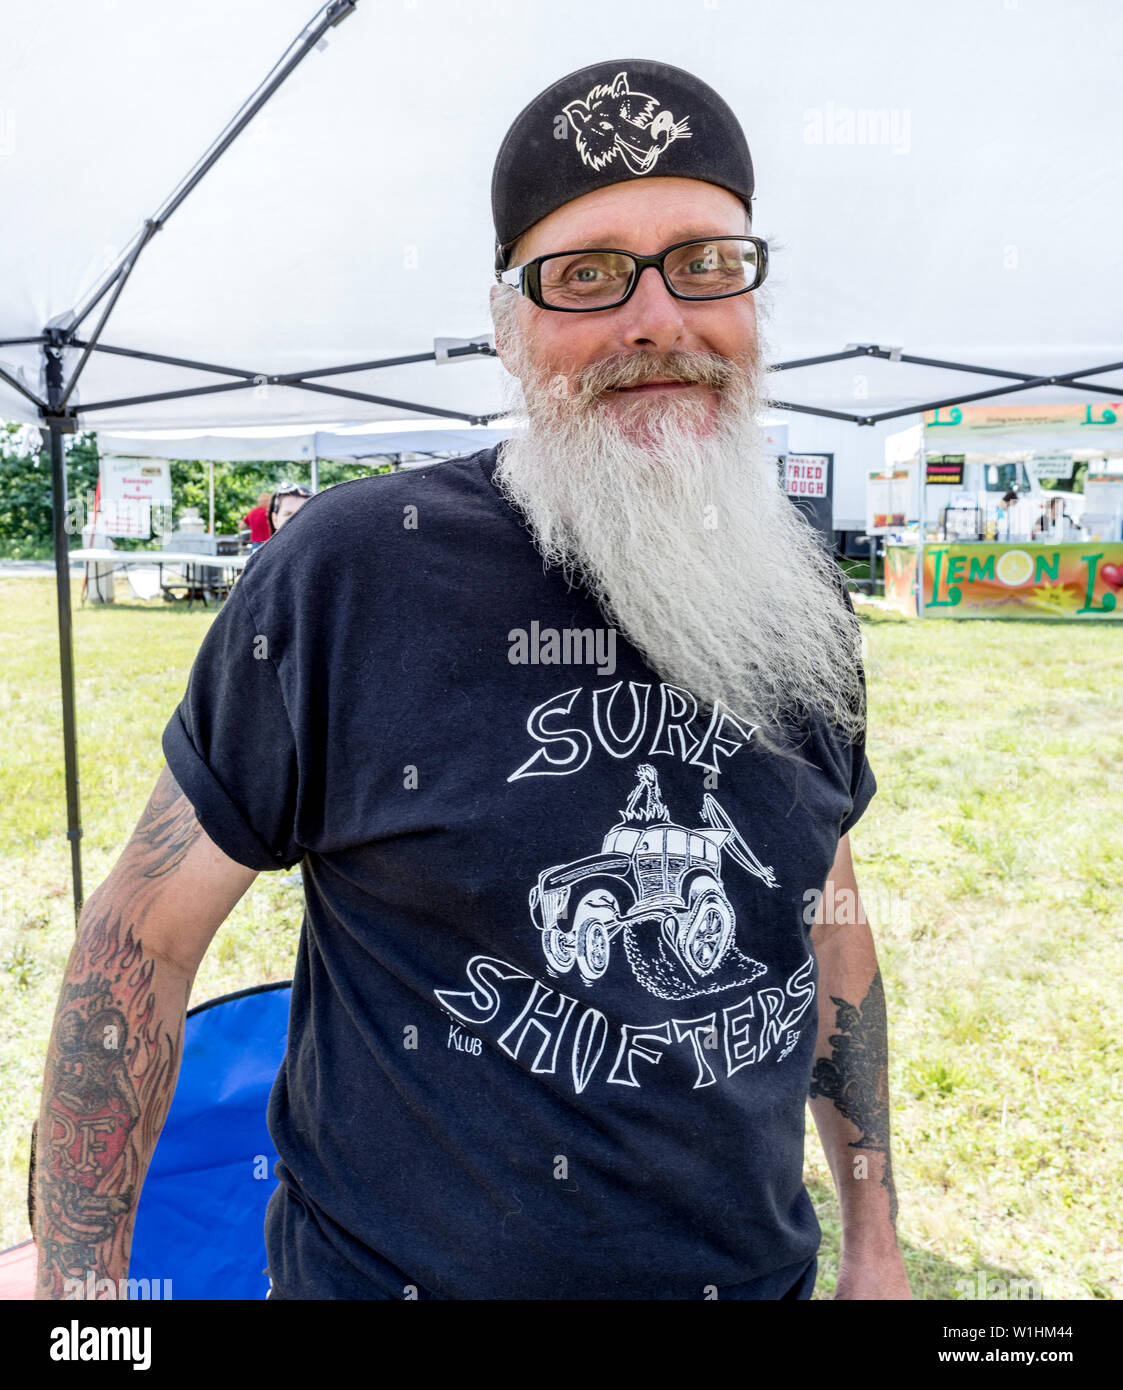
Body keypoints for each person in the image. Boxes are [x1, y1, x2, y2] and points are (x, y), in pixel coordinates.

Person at [32, 59, 908, 1301]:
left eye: (705, 262)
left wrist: (874, 1245)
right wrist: (80, 1298)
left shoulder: (798, 599)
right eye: (588, 273)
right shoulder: (348, 575)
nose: (657, 320)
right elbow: (141, 938)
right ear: (508, 324)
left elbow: (825, 913)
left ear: (751, 299)